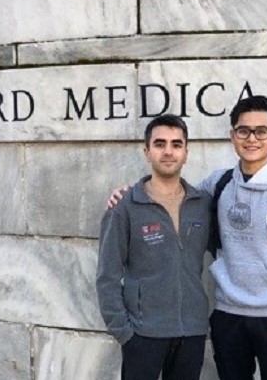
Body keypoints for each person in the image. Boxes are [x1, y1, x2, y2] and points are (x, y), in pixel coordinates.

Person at [108, 95, 267, 380]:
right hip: (227, 315)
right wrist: (130, 193)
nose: (252, 139)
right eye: (243, 130)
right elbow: (175, 199)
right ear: (232, 136)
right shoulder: (219, 183)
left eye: (262, 131)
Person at [96, 114, 212, 380]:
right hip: (143, 335)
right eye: (160, 144)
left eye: (176, 144)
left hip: (191, 333)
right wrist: (125, 333)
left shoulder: (202, 205)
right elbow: (107, 276)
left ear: (186, 153)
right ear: (147, 151)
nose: (168, 151)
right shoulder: (125, 207)